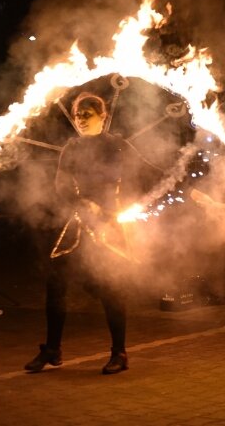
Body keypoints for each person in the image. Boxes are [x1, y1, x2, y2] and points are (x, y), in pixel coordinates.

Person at [24, 92, 162, 375]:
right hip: (78, 224)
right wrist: (79, 203)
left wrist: (130, 203)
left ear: (104, 117)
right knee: (56, 285)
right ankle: (52, 350)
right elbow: (60, 185)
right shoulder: (71, 148)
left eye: (87, 115)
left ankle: (119, 353)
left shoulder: (118, 146)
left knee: (111, 289)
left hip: (109, 225)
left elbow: (148, 174)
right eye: (77, 116)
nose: (81, 121)